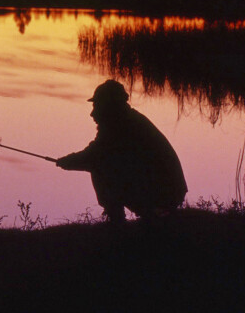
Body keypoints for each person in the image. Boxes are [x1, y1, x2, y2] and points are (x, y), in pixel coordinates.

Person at [56, 80, 187, 223]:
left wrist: (67, 161)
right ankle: (144, 214)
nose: (92, 113)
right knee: (103, 164)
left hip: (164, 192)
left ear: (109, 106)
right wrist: (69, 161)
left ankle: (118, 220)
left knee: (101, 168)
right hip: (168, 189)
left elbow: (94, 156)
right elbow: (96, 152)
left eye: (97, 106)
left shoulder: (121, 126)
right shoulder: (126, 120)